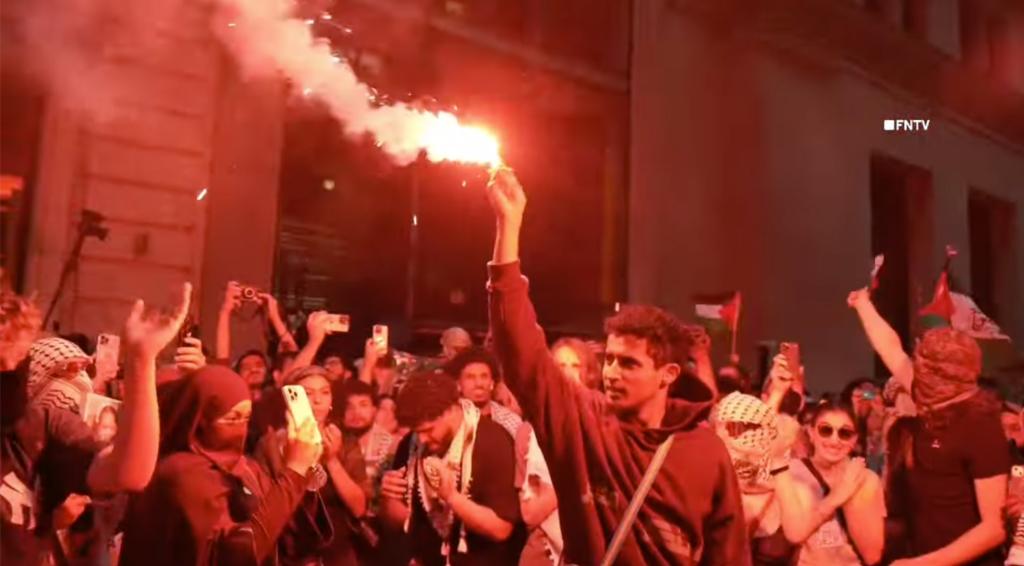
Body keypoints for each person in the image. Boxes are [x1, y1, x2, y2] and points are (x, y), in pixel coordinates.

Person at [484, 169, 748, 564]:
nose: (610, 372)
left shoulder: (707, 451)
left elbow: (728, 556)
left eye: (629, 364)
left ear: (668, 375)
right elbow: (520, 350)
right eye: (608, 359)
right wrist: (509, 225)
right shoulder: (582, 420)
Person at [2, 284, 190, 564]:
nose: (10, 373)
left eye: (17, 362)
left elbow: (129, 472)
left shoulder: (37, 426)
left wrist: (141, 359)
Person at [119, 365, 325, 565]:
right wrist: (294, 472)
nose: (240, 429)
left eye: (246, 418)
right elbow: (236, 554)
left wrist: (303, 471)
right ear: (200, 420)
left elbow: (285, 528)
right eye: (232, 418)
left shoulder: (245, 467)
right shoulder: (181, 473)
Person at [880, 327, 1009, 566]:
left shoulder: (981, 427)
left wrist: (923, 564)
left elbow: (994, 527)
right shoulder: (932, 399)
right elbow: (891, 351)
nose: (918, 373)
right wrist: (862, 304)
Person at [379, 372, 525, 565]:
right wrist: (390, 496)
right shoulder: (412, 444)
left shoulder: (493, 443)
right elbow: (399, 521)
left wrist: (452, 497)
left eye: (428, 430)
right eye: (417, 432)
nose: (422, 439)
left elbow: (500, 529)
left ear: (450, 410)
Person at [257, 365, 369, 566]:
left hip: (335, 543)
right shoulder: (271, 443)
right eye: (307, 394)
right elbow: (264, 506)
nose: (317, 401)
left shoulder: (345, 441)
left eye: (325, 393)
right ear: (292, 399)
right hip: (286, 541)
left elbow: (359, 508)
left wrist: (332, 459)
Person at [773, 401, 886, 565]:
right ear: (811, 433)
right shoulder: (791, 472)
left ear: (854, 440)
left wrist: (851, 497)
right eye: (825, 430)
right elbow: (795, 533)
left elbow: (872, 555)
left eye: (844, 433)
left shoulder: (865, 479)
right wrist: (839, 495)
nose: (834, 440)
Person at [840, 378, 886, 472]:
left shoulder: (880, 417)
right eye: (858, 396)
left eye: (869, 393)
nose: (863, 398)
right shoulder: (843, 420)